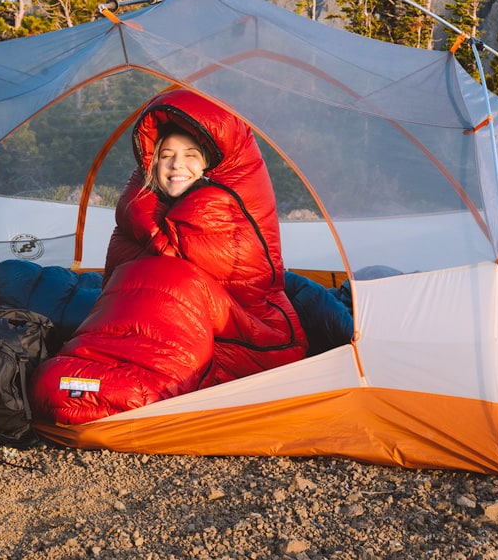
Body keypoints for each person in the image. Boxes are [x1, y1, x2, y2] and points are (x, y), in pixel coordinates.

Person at [31, 88, 308, 424]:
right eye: (166, 155)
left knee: (171, 278)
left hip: (255, 339)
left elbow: (213, 276)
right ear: (152, 161)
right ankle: (91, 377)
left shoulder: (228, 209)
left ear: (209, 162)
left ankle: (131, 385)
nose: (178, 165)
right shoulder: (139, 211)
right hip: (181, 333)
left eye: (191, 154)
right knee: (128, 282)